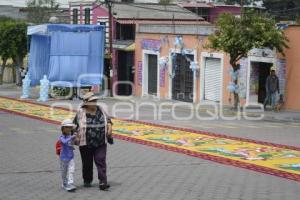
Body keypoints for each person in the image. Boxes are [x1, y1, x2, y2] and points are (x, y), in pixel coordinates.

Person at [73, 92, 113, 191]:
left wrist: (109, 129)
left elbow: (108, 120)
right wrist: (74, 136)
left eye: (95, 100)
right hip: (85, 142)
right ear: (86, 102)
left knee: (101, 160)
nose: (94, 103)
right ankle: (87, 179)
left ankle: (103, 181)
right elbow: (74, 126)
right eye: (92, 101)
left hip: (100, 141)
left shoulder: (101, 109)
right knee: (87, 163)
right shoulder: (81, 112)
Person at [59, 119, 79, 192]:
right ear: (63, 128)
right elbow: (64, 142)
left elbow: (75, 143)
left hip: (71, 157)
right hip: (63, 158)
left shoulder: (71, 136)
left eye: (70, 127)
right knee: (64, 172)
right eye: (67, 127)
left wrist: (76, 138)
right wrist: (71, 137)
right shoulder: (62, 137)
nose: (69, 129)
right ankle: (64, 183)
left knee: (71, 170)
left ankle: (70, 183)